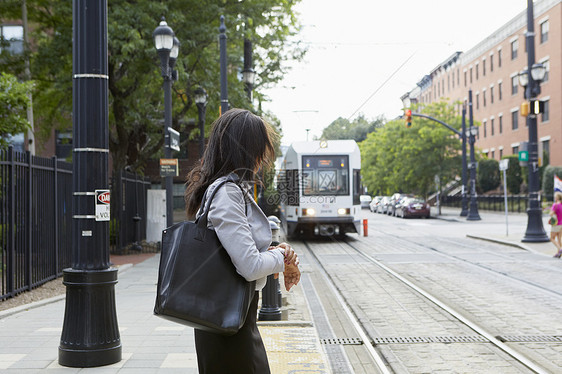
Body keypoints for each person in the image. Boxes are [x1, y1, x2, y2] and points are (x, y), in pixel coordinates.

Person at [184, 108, 301, 374]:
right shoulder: (227, 192)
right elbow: (248, 266)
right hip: (227, 326)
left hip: (231, 319)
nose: (262, 157)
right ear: (245, 150)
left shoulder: (228, 189)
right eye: (259, 148)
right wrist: (282, 259)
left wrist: (274, 254)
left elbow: (238, 252)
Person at [550, 192, 562, 258]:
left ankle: (560, 249)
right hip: (561, 224)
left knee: (552, 238)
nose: (554, 198)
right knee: (559, 238)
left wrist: (551, 211)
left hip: (556, 224)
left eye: (555, 197)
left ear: (557, 198)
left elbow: (551, 214)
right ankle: (558, 253)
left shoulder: (555, 205)